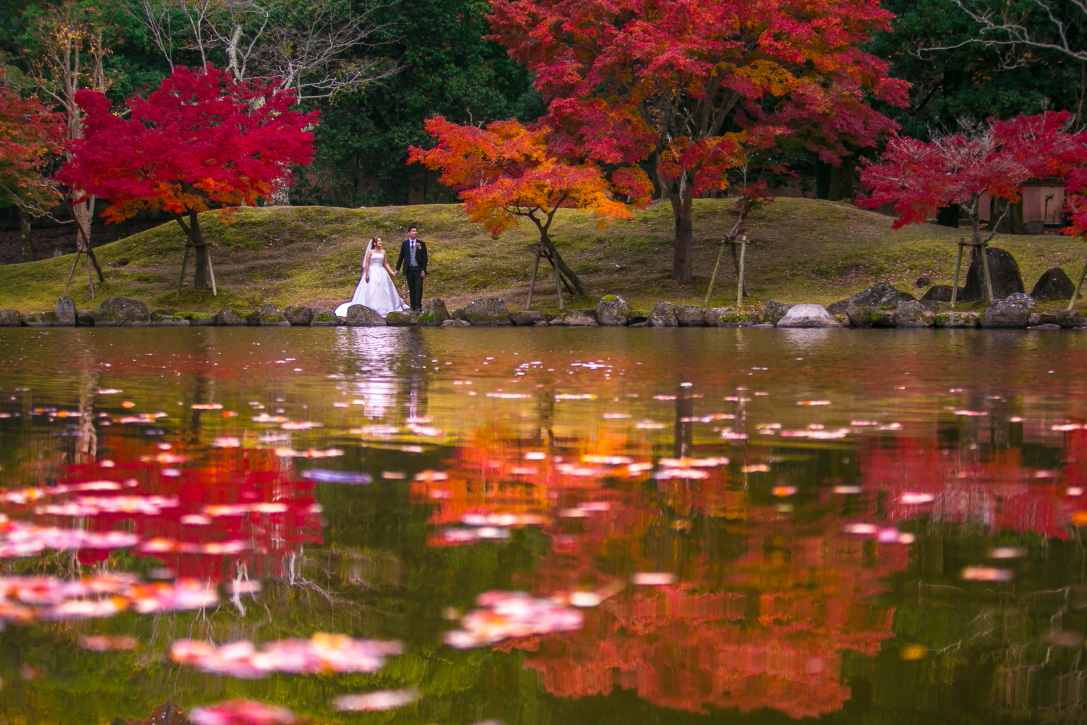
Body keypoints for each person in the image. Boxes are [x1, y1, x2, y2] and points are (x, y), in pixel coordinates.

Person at [334, 237, 408, 317]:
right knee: (372, 288)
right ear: (374, 243)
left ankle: (385, 308)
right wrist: (366, 274)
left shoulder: (383, 252)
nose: (381, 242)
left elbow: (385, 263)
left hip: (381, 271)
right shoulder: (370, 252)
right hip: (372, 271)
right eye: (379, 241)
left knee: (384, 289)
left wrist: (392, 272)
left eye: (380, 241)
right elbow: (367, 264)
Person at [395, 225, 428, 311]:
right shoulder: (405, 244)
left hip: (418, 268)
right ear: (409, 233)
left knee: (418, 287)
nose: (415, 233)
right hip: (409, 269)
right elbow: (401, 257)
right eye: (413, 231)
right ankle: (412, 306)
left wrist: (423, 269)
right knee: (411, 287)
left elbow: (425, 258)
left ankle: (418, 305)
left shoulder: (421, 243)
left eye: (415, 231)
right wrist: (397, 269)